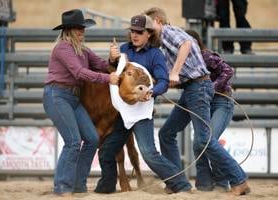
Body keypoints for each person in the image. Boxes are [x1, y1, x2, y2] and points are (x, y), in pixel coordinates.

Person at [143, 7, 250, 196]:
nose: (148, 31)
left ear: (158, 21)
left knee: (203, 140)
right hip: (192, 88)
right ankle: (177, 182)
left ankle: (238, 179)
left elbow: (185, 43)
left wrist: (175, 71)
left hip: (198, 87)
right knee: (167, 134)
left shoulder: (168, 31)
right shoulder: (163, 45)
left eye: (149, 26)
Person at [94, 14, 192, 194]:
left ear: (149, 34)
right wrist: (111, 59)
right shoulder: (123, 49)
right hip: (122, 113)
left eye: (139, 32)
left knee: (148, 153)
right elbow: (113, 72)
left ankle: (182, 185)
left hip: (141, 113)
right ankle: (106, 187)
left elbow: (163, 81)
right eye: (132, 31)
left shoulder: (156, 54)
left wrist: (152, 91)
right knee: (107, 151)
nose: (135, 35)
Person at [42, 9, 119, 196]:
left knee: (92, 138)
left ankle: (77, 185)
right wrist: (107, 78)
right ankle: (63, 187)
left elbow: (101, 64)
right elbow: (79, 73)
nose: (82, 31)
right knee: (73, 141)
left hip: (71, 98)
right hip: (57, 95)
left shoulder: (83, 50)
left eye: (82, 28)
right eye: (78, 28)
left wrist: (112, 58)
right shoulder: (62, 48)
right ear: (67, 30)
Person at [185, 29, 237, 191]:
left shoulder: (206, 56)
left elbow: (228, 70)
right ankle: (205, 183)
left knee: (207, 140)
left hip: (222, 100)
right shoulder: (185, 63)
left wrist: (211, 89)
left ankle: (221, 182)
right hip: (206, 103)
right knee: (201, 142)